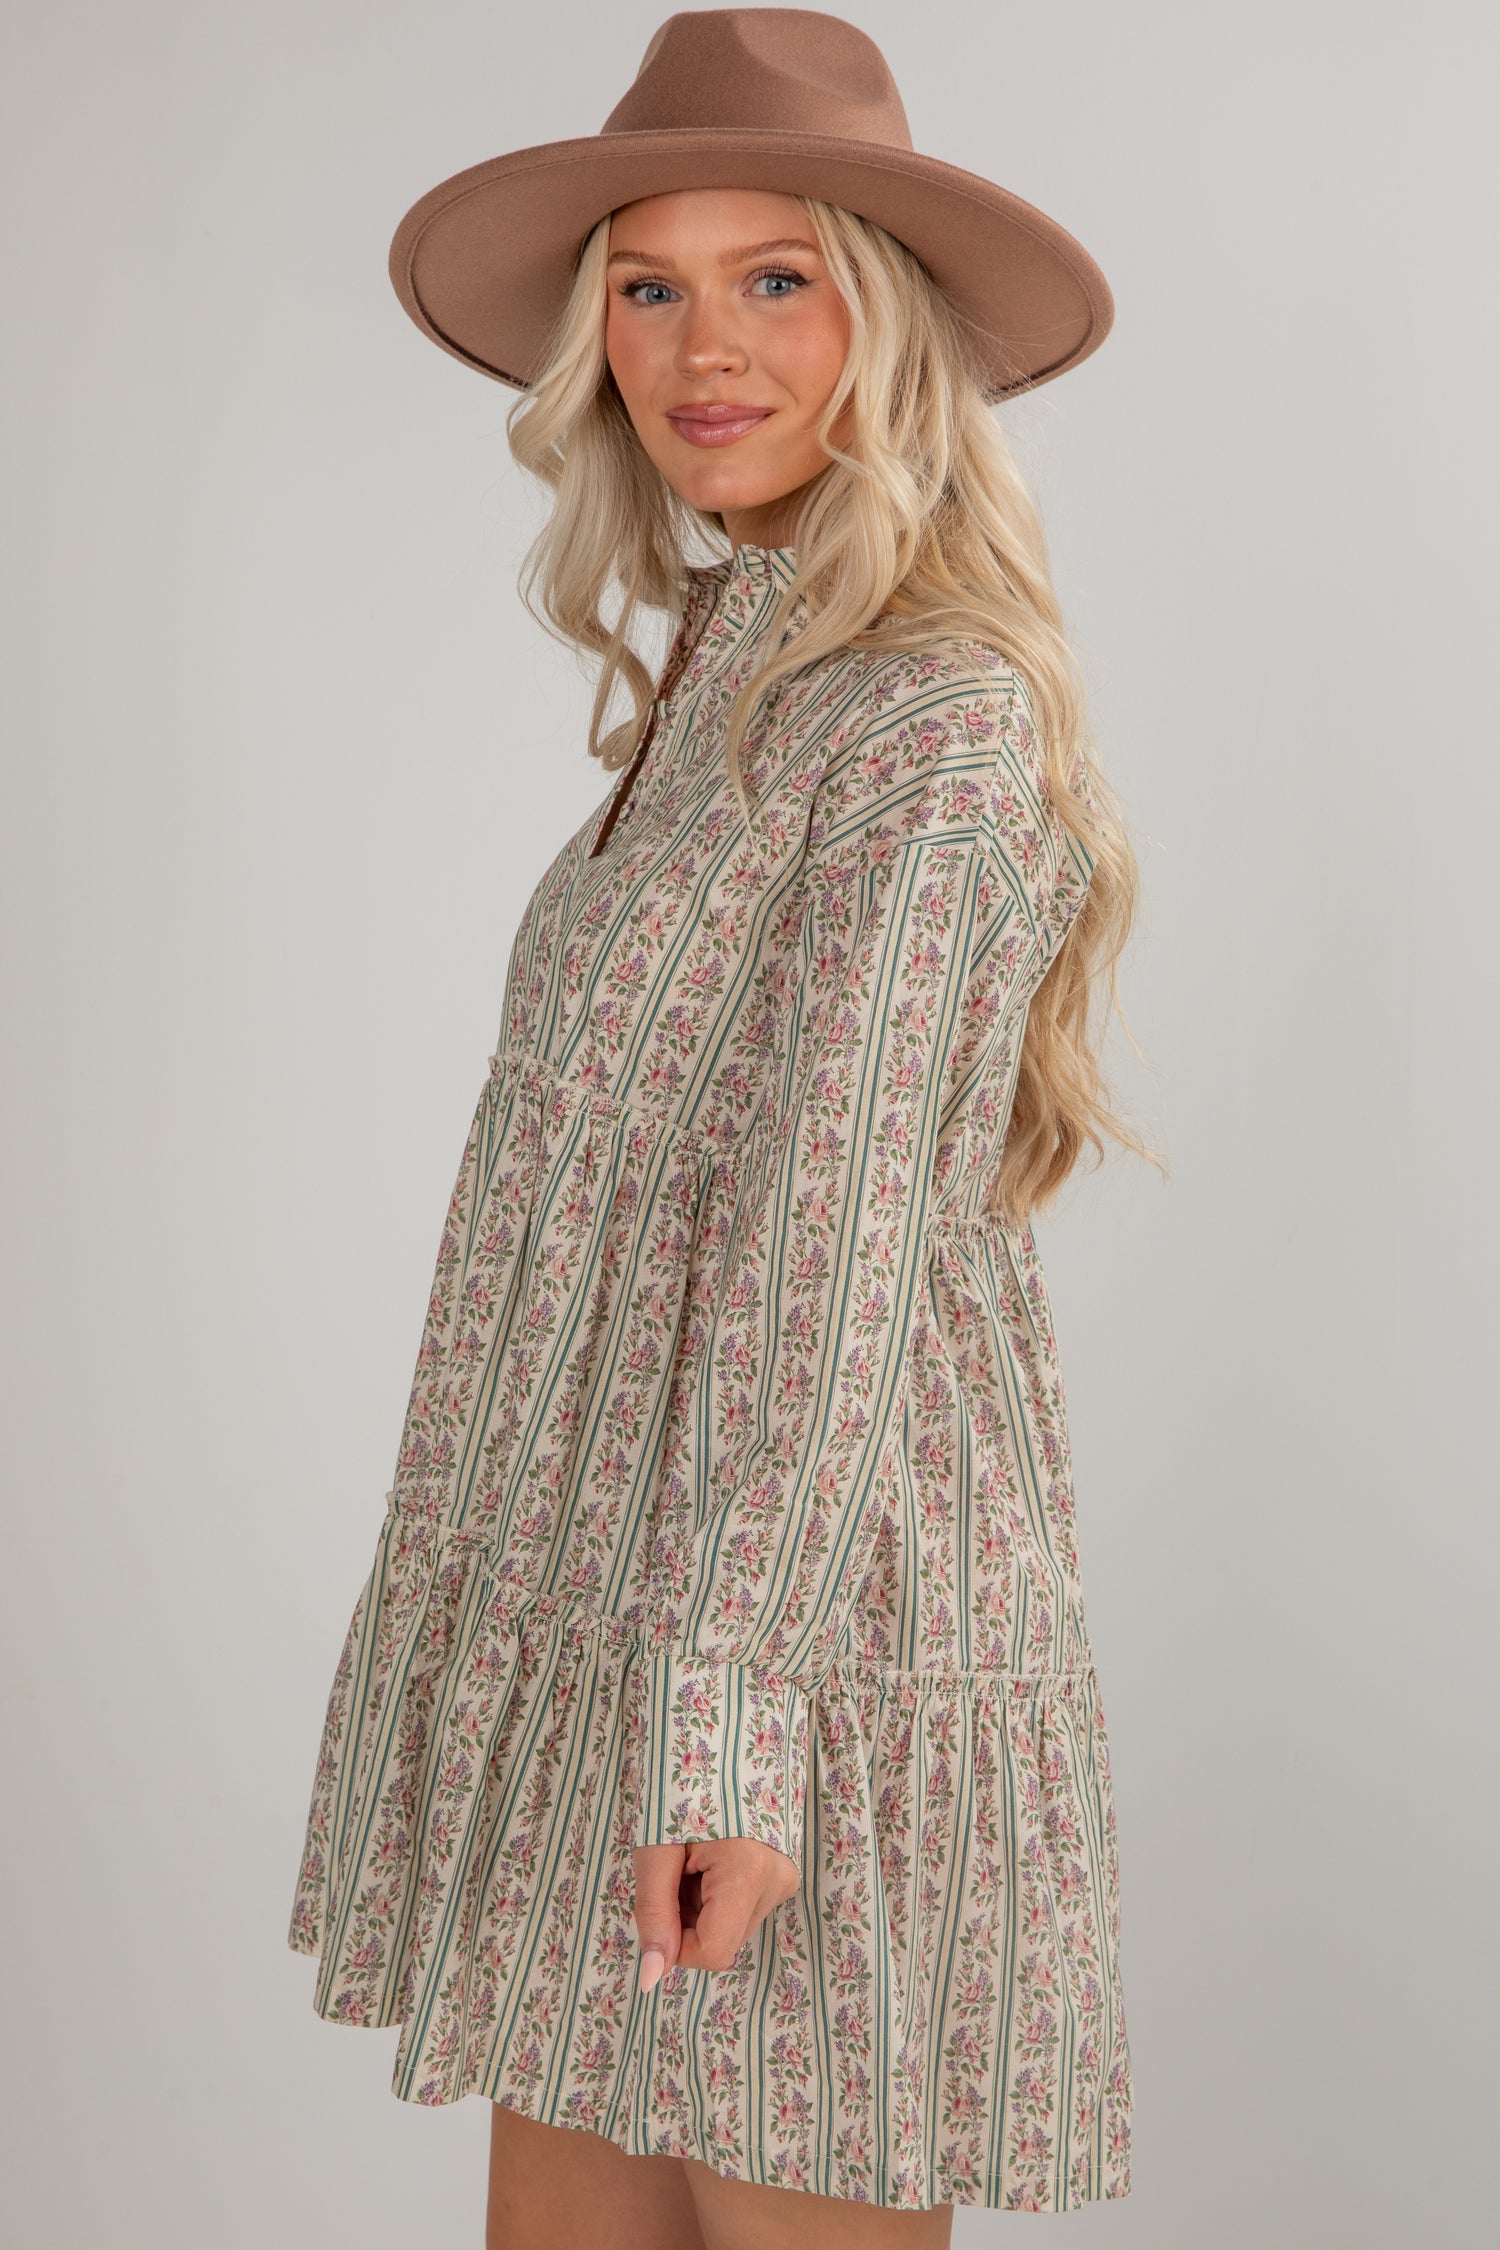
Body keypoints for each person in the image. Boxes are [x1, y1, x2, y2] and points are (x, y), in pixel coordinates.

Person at [287, 12, 1154, 2244]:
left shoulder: (931, 721)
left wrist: (726, 1747)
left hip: (799, 1677)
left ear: (886, 311)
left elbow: (823, 1265)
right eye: (649, 286)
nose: (701, 347)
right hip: (616, 1627)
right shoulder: (737, 671)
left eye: (776, 277)